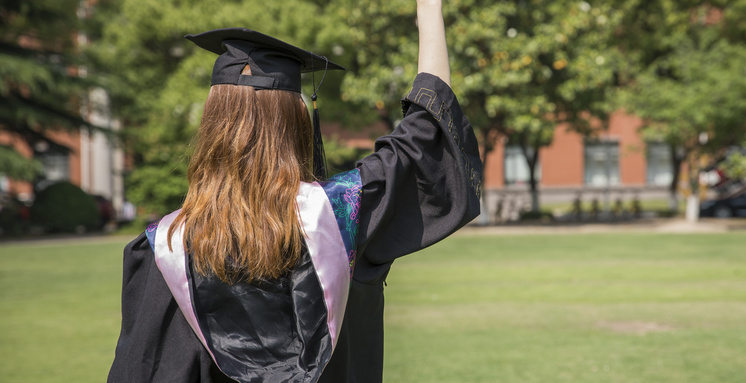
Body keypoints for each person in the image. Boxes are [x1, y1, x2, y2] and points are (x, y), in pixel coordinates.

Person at [107, 1, 481, 382]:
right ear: (296, 124)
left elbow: (145, 369)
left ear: (212, 126)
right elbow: (424, 136)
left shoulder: (166, 250)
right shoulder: (343, 216)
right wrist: (429, 9)